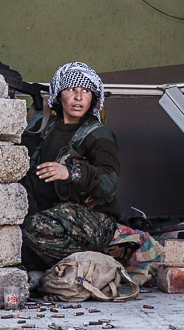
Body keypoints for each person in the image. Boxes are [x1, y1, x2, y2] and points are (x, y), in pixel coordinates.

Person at [20, 62, 121, 272]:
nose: (78, 97)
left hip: (94, 219)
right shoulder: (44, 126)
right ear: (59, 95)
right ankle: (53, 271)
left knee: (35, 228)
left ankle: (93, 266)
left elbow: (108, 182)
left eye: (86, 91)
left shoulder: (98, 134)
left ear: (93, 98)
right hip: (50, 214)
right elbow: (18, 154)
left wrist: (70, 173)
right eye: (71, 90)